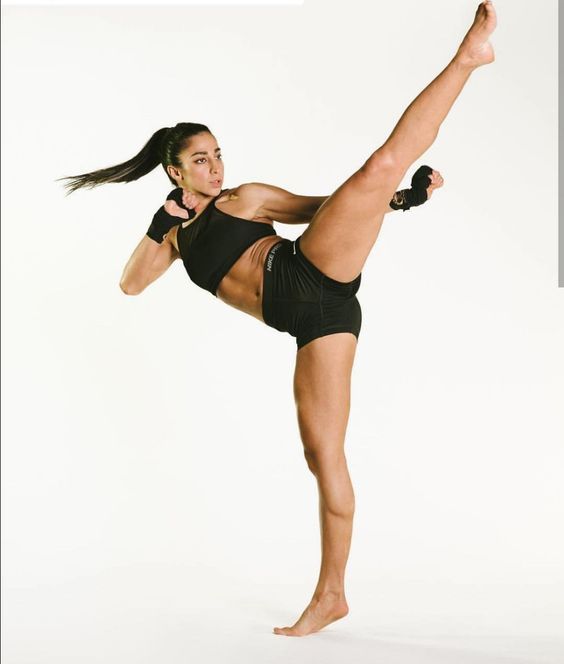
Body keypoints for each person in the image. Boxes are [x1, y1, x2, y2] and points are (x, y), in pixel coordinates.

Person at [60, 0, 496, 637]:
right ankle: (332, 595)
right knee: (323, 455)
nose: (216, 165)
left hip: (311, 271)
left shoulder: (248, 198)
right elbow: (130, 285)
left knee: (377, 168)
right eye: (202, 160)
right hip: (315, 322)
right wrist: (163, 222)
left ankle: (468, 57)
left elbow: (322, 207)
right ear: (175, 171)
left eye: (218, 153)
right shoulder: (174, 237)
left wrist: (398, 199)